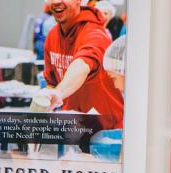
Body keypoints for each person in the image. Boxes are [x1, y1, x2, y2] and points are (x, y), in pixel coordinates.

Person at [36, 0, 123, 130]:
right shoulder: (53, 35)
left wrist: (58, 93)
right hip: (74, 129)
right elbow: (51, 82)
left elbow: (82, 65)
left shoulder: (96, 34)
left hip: (105, 133)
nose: (57, 2)